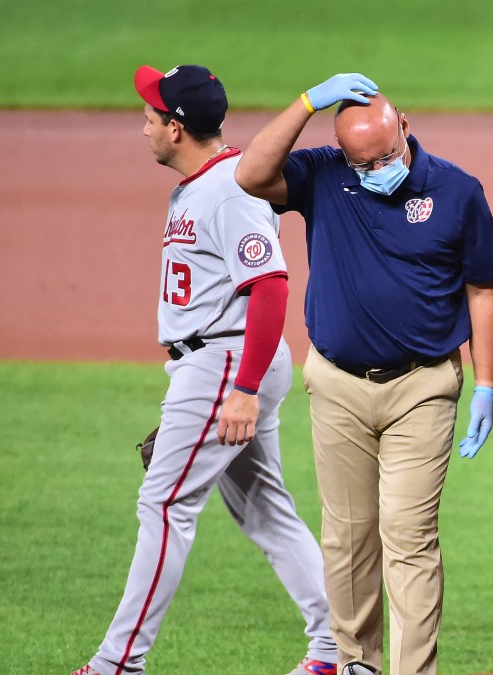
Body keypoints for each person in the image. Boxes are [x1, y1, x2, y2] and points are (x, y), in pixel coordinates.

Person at [234, 74, 493, 675]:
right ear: (343, 155)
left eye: (385, 155)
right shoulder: (323, 177)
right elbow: (250, 174)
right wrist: (308, 100)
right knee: (349, 536)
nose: (376, 169)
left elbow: (484, 289)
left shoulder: (458, 191)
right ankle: (357, 662)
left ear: (405, 127)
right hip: (336, 383)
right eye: (363, 163)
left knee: (408, 536)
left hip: (422, 385)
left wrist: (486, 384)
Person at [73, 64, 337, 675]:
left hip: (227, 358)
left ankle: (119, 663)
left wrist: (242, 391)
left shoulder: (228, 189)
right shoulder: (203, 185)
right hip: (218, 358)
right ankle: (335, 648)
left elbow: (269, 286)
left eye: (151, 117)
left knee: (164, 506)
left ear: (177, 128)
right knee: (264, 509)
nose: (143, 127)